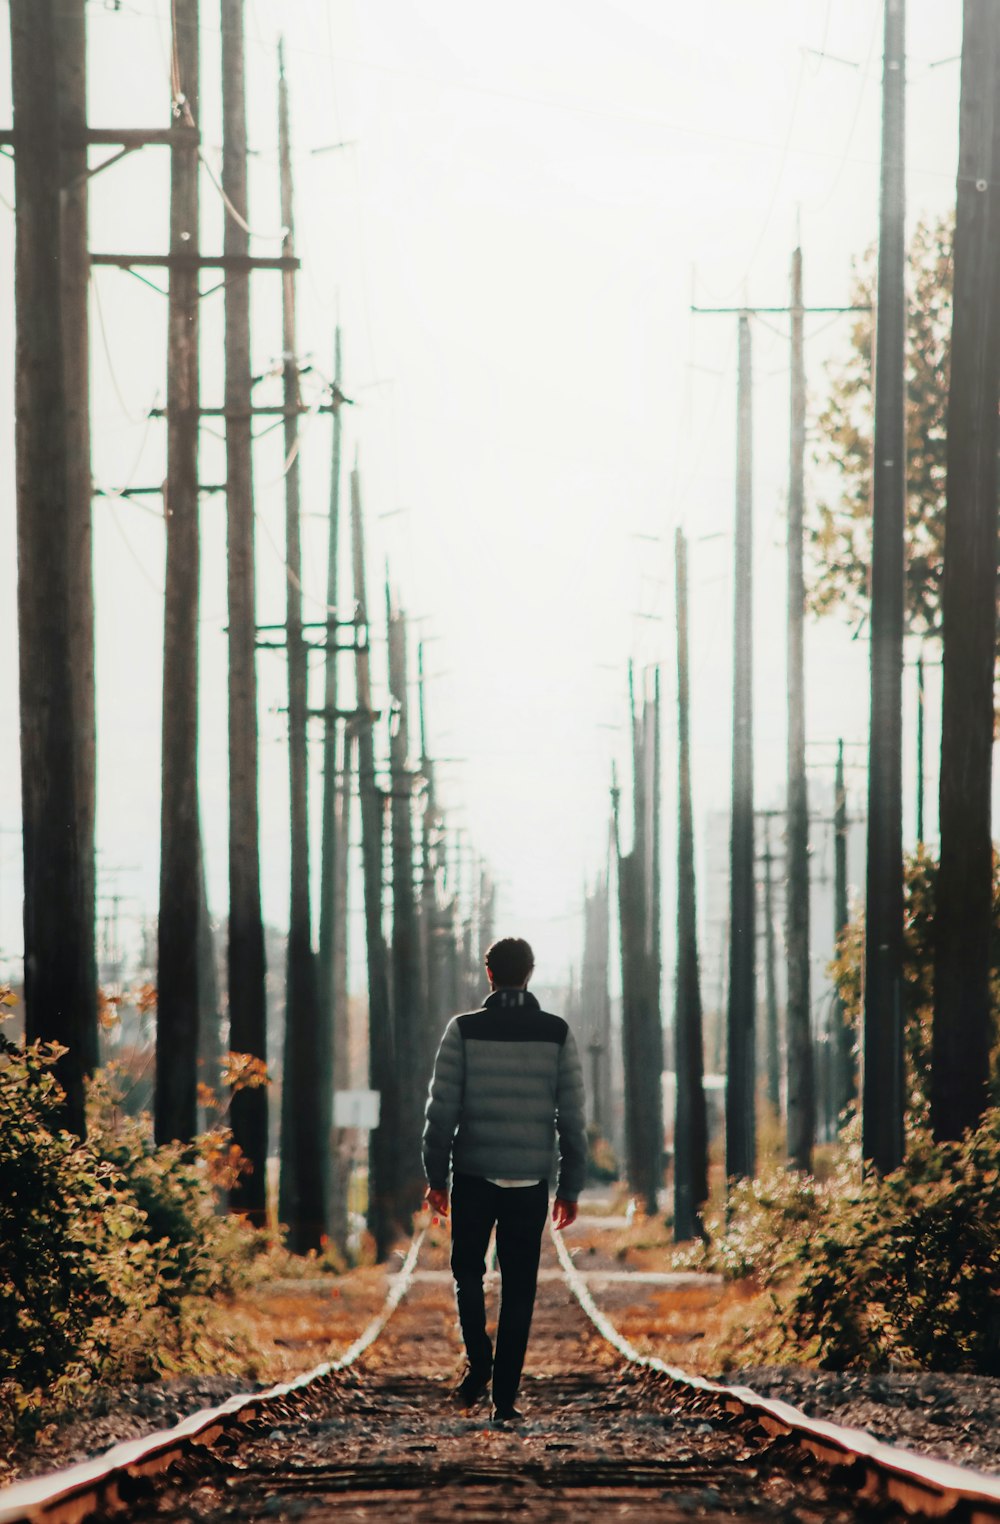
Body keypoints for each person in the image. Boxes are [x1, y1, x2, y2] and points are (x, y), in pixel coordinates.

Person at [422, 935, 587, 1424]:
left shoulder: (463, 1030)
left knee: (466, 1273)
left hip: (472, 1174)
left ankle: (480, 1360)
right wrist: (570, 1186)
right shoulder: (556, 1033)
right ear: (530, 973)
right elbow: (571, 1117)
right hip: (529, 1181)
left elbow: (440, 1111)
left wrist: (435, 1179)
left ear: (489, 974)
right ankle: (505, 1401)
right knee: (519, 1288)